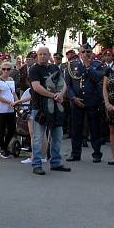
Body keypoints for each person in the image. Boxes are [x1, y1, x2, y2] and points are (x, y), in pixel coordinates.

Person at [29, 47, 70, 175]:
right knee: (38, 138)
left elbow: (63, 84)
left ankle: (56, 163)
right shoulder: (34, 69)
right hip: (40, 108)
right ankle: (36, 164)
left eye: (44, 54)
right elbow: (36, 87)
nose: (42, 56)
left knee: (57, 137)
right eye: (39, 54)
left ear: (49, 55)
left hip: (56, 108)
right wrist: (53, 95)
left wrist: (61, 94)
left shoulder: (54, 68)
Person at [66, 43, 106, 163]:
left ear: (92, 53)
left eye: (88, 52)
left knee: (94, 128)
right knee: (76, 129)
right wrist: (73, 97)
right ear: (79, 53)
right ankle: (75, 153)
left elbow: (98, 79)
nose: (85, 54)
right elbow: (68, 85)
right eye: (83, 52)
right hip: (77, 101)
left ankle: (97, 153)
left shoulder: (98, 65)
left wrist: (89, 67)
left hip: (92, 101)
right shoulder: (71, 65)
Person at [0, 60, 17, 158]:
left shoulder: (11, 80)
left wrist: (18, 102)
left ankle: (5, 147)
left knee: (12, 129)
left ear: (11, 70)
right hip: (1, 109)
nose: (6, 71)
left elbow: (14, 93)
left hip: (10, 109)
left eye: (8, 69)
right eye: (3, 69)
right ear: (1, 70)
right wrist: (9, 102)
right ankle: (3, 149)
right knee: (1, 130)